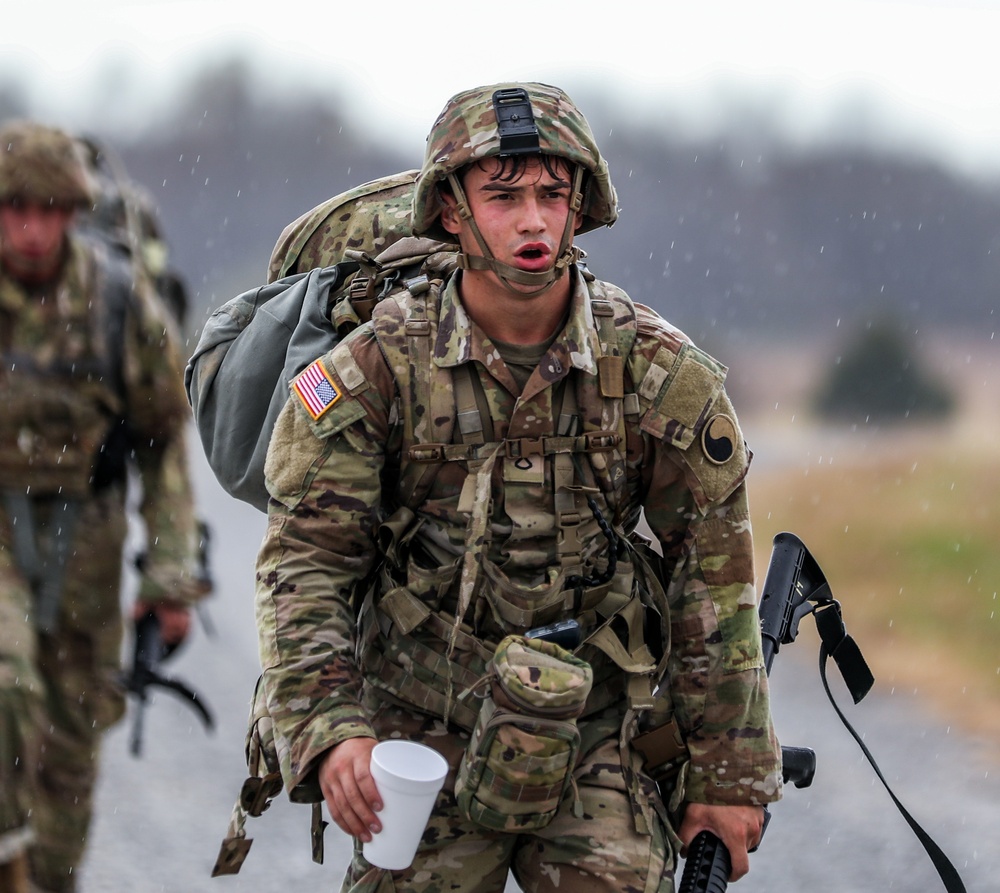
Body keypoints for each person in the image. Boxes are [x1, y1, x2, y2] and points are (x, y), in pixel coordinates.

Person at [254, 82, 782, 893]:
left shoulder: (657, 373)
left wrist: (728, 775)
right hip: (419, 729)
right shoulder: (375, 370)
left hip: (596, 730)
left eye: (551, 194)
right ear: (452, 213)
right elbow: (307, 565)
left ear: (580, 209)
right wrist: (331, 731)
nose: (532, 220)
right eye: (503, 197)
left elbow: (713, 584)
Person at [0, 121, 209, 893]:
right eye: (13, 208)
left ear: (73, 211)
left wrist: (172, 572)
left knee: (67, 762)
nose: (29, 229)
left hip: (86, 547)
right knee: (6, 683)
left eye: (47, 209)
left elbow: (164, 442)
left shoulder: (119, 301)